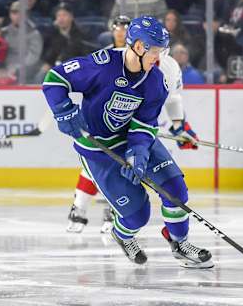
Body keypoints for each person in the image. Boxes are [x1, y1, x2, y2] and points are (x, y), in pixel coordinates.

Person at [42, 16, 212, 268]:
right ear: (139, 47)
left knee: (175, 189)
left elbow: (144, 124)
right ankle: (122, 235)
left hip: (133, 139)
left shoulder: (156, 80)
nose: (159, 58)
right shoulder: (102, 64)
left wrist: (139, 151)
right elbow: (54, 79)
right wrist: (63, 110)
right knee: (137, 215)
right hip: (100, 150)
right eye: (155, 51)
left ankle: (180, 243)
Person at [66, 16, 199, 234]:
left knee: (137, 167)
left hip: (138, 127)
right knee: (101, 166)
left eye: (160, 51)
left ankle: (115, 210)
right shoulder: (112, 57)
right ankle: (81, 208)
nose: (156, 57)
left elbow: (173, 99)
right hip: (110, 126)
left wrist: (179, 126)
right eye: (118, 28)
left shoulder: (168, 66)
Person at [2, 1, 43, 83]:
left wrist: (17, 69)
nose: (17, 16)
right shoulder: (3, 32)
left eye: (20, 13)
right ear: (10, 14)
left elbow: (33, 56)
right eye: (14, 13)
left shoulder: (34, 33)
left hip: (26, 70)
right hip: (5, 68)